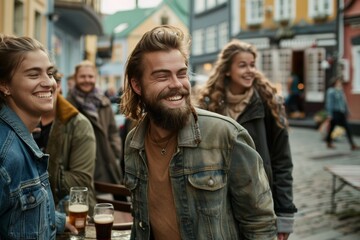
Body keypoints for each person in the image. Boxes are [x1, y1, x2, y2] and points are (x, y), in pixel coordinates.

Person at [120, 25, 277, 239]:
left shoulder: (227, 136)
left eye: (181, 74)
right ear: (137, 85)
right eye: (162, 76)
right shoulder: (133, 143)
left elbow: (260, 223)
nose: (177, 85)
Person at [195, 39, 297, 240]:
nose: (250, 70)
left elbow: (282, 163)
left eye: (252, 65)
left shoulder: (270, 105)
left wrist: (284, 215)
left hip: (258, 203)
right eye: (242, 65)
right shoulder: (210, 106)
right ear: (227, 70)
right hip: (219, 203)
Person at [0, 34, 77, 238]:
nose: (49, 83)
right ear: (5, 85)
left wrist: (58, 221)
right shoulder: (6, 153)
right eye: (34, 75)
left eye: (49, 73)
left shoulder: (21, 138)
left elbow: (16, 211)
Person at [33, 67, 97, 215]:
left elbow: (80, 180)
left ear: (58, 86)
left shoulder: (78, 124)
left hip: (70, 211)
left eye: (50, 79)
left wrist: (30, 174)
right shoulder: (22, 120)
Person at [67, 60, 122, 185]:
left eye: (90, 76)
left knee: (109, 201)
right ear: (76, 78)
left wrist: (115, 153)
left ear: (95, 78)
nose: (87, 80)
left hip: (106, 161)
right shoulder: (68, 105)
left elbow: (113, 131)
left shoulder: (104, 102)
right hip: (81, 165)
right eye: (82, 76)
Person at [325, 76, 359, 150]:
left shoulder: (340, 91)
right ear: (335, 83)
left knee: (332, 128)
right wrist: (330, 114)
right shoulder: (331, 91)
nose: (340, 83)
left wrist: (347, 111)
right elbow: (329, 103)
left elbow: (344, 102)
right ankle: (352, 144)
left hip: (341, 112)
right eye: (339, 82)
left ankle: (328, 142)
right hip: (335, 113)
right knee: (347, 128)